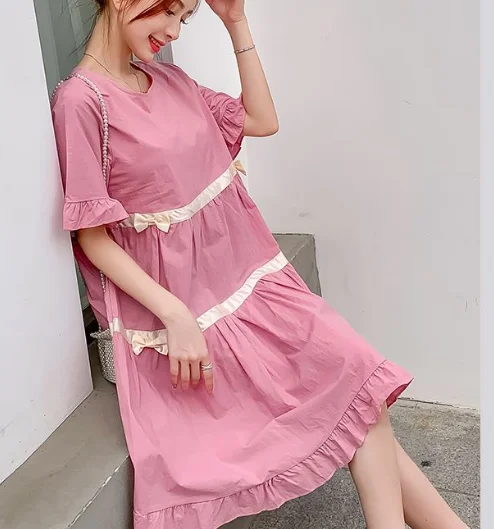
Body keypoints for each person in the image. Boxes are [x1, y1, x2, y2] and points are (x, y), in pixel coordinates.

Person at [50, 1, 470, 528]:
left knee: (357, 384)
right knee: (357, 394)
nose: (174, 30)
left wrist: (235, 22)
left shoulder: (171, 81)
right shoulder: (82, 101)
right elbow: (91, 236)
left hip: (250, 288)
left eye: (185, 18)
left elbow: (262, 120)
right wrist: (176, 315)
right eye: (168, 12)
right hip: (184, 320)